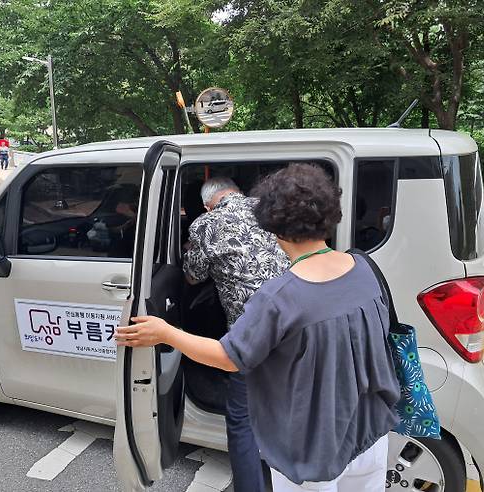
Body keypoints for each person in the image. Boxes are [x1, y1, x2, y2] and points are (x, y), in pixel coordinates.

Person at [116, 164, 401, 492]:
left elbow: (229, 356)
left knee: (242, 418)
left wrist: (166, 333)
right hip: (371, 433)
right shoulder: (363, 267)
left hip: (311, 449)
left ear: (273, 223)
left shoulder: (281, 296)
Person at [181, 176, 289, 491]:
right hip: (297, 327)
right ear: (237, 191)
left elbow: (191, 277)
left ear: (206, 204)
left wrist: (192, 250)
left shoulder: (206, 224)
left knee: (243, 421)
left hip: (251, 339)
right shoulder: (275, 208)